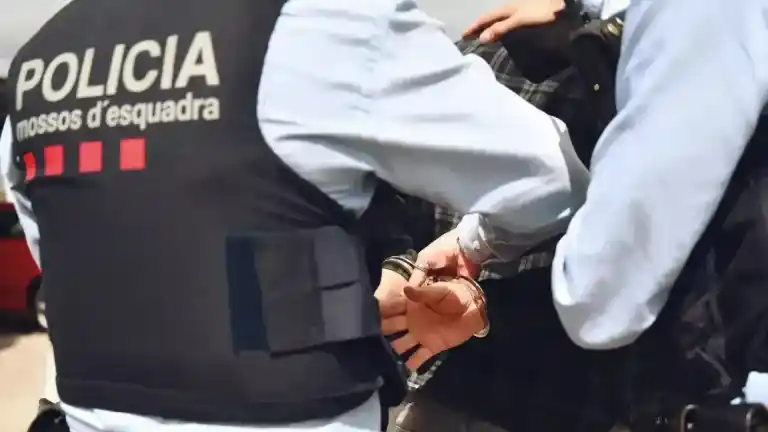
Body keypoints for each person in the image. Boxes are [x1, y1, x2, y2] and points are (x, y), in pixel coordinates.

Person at [0, 0, 590, 431]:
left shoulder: (40, 62)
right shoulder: (325, 26)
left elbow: (60, 247)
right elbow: (549, 182)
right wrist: (474, 245)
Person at [383, 0, 768, 429]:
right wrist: (404, 269)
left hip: (600, 394)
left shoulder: (678, 40)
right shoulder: (495, 58)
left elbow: (603, 291)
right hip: (488, 388)